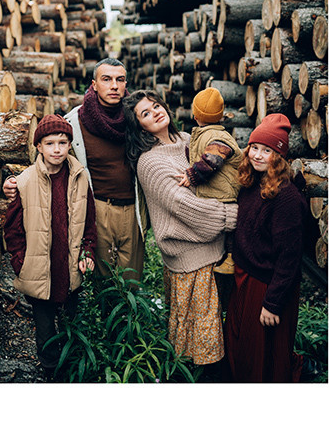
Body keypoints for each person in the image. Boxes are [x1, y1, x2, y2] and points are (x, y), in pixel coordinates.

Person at [123, 89, 238, 373]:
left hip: (220, 248)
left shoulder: (190, 140)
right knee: (199, 343)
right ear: (138, 125)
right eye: (145, 113)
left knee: (226, 327)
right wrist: (238, 215)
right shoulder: (149, 162)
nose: (156, 112)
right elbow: (186, 207)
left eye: (156, 105)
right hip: (192, 257)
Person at [4, 58, 145, 283]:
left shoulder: (137, 119)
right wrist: (16, 182)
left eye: (120, 80)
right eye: (106, 79)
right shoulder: (76, 122)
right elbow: (51, 161)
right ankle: (97, 318)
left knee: (132, 280)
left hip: (132, 208)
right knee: (99, 278)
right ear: (94, 84)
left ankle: (127, 318)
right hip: (95, 208)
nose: (114, 86)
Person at [2, 115, 97, 380]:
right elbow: (13, 228)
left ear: (70, 145)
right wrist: (20, 262)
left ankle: (75, 368)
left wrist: (87, 250)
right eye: (50, 143)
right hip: (38, 268)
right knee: (45, 330)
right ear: (39, 147)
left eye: (63, 142)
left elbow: (90, 220)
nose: (57, 149)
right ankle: (51, 371)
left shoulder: (79, 177)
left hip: (68, 268)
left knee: (71, 322)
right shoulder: (25, 181)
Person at [224, 113, 306, 383]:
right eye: (254, 148)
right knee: (240, 348)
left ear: (279, 156)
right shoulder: (250, 183)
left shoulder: (286, 198)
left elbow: (290, 259)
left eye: (267, 150)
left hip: (268, 285)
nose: (258, 155)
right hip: (244, 276)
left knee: (264, 358)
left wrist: (272, 304)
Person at [181, 86, 242, 278]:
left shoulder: (217, 137)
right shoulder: (208, 133)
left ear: (195, 114)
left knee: (230, 226)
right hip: (217, 191)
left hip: (226, 191)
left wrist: (192, 175)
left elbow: (211, 161)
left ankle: (231, 258)